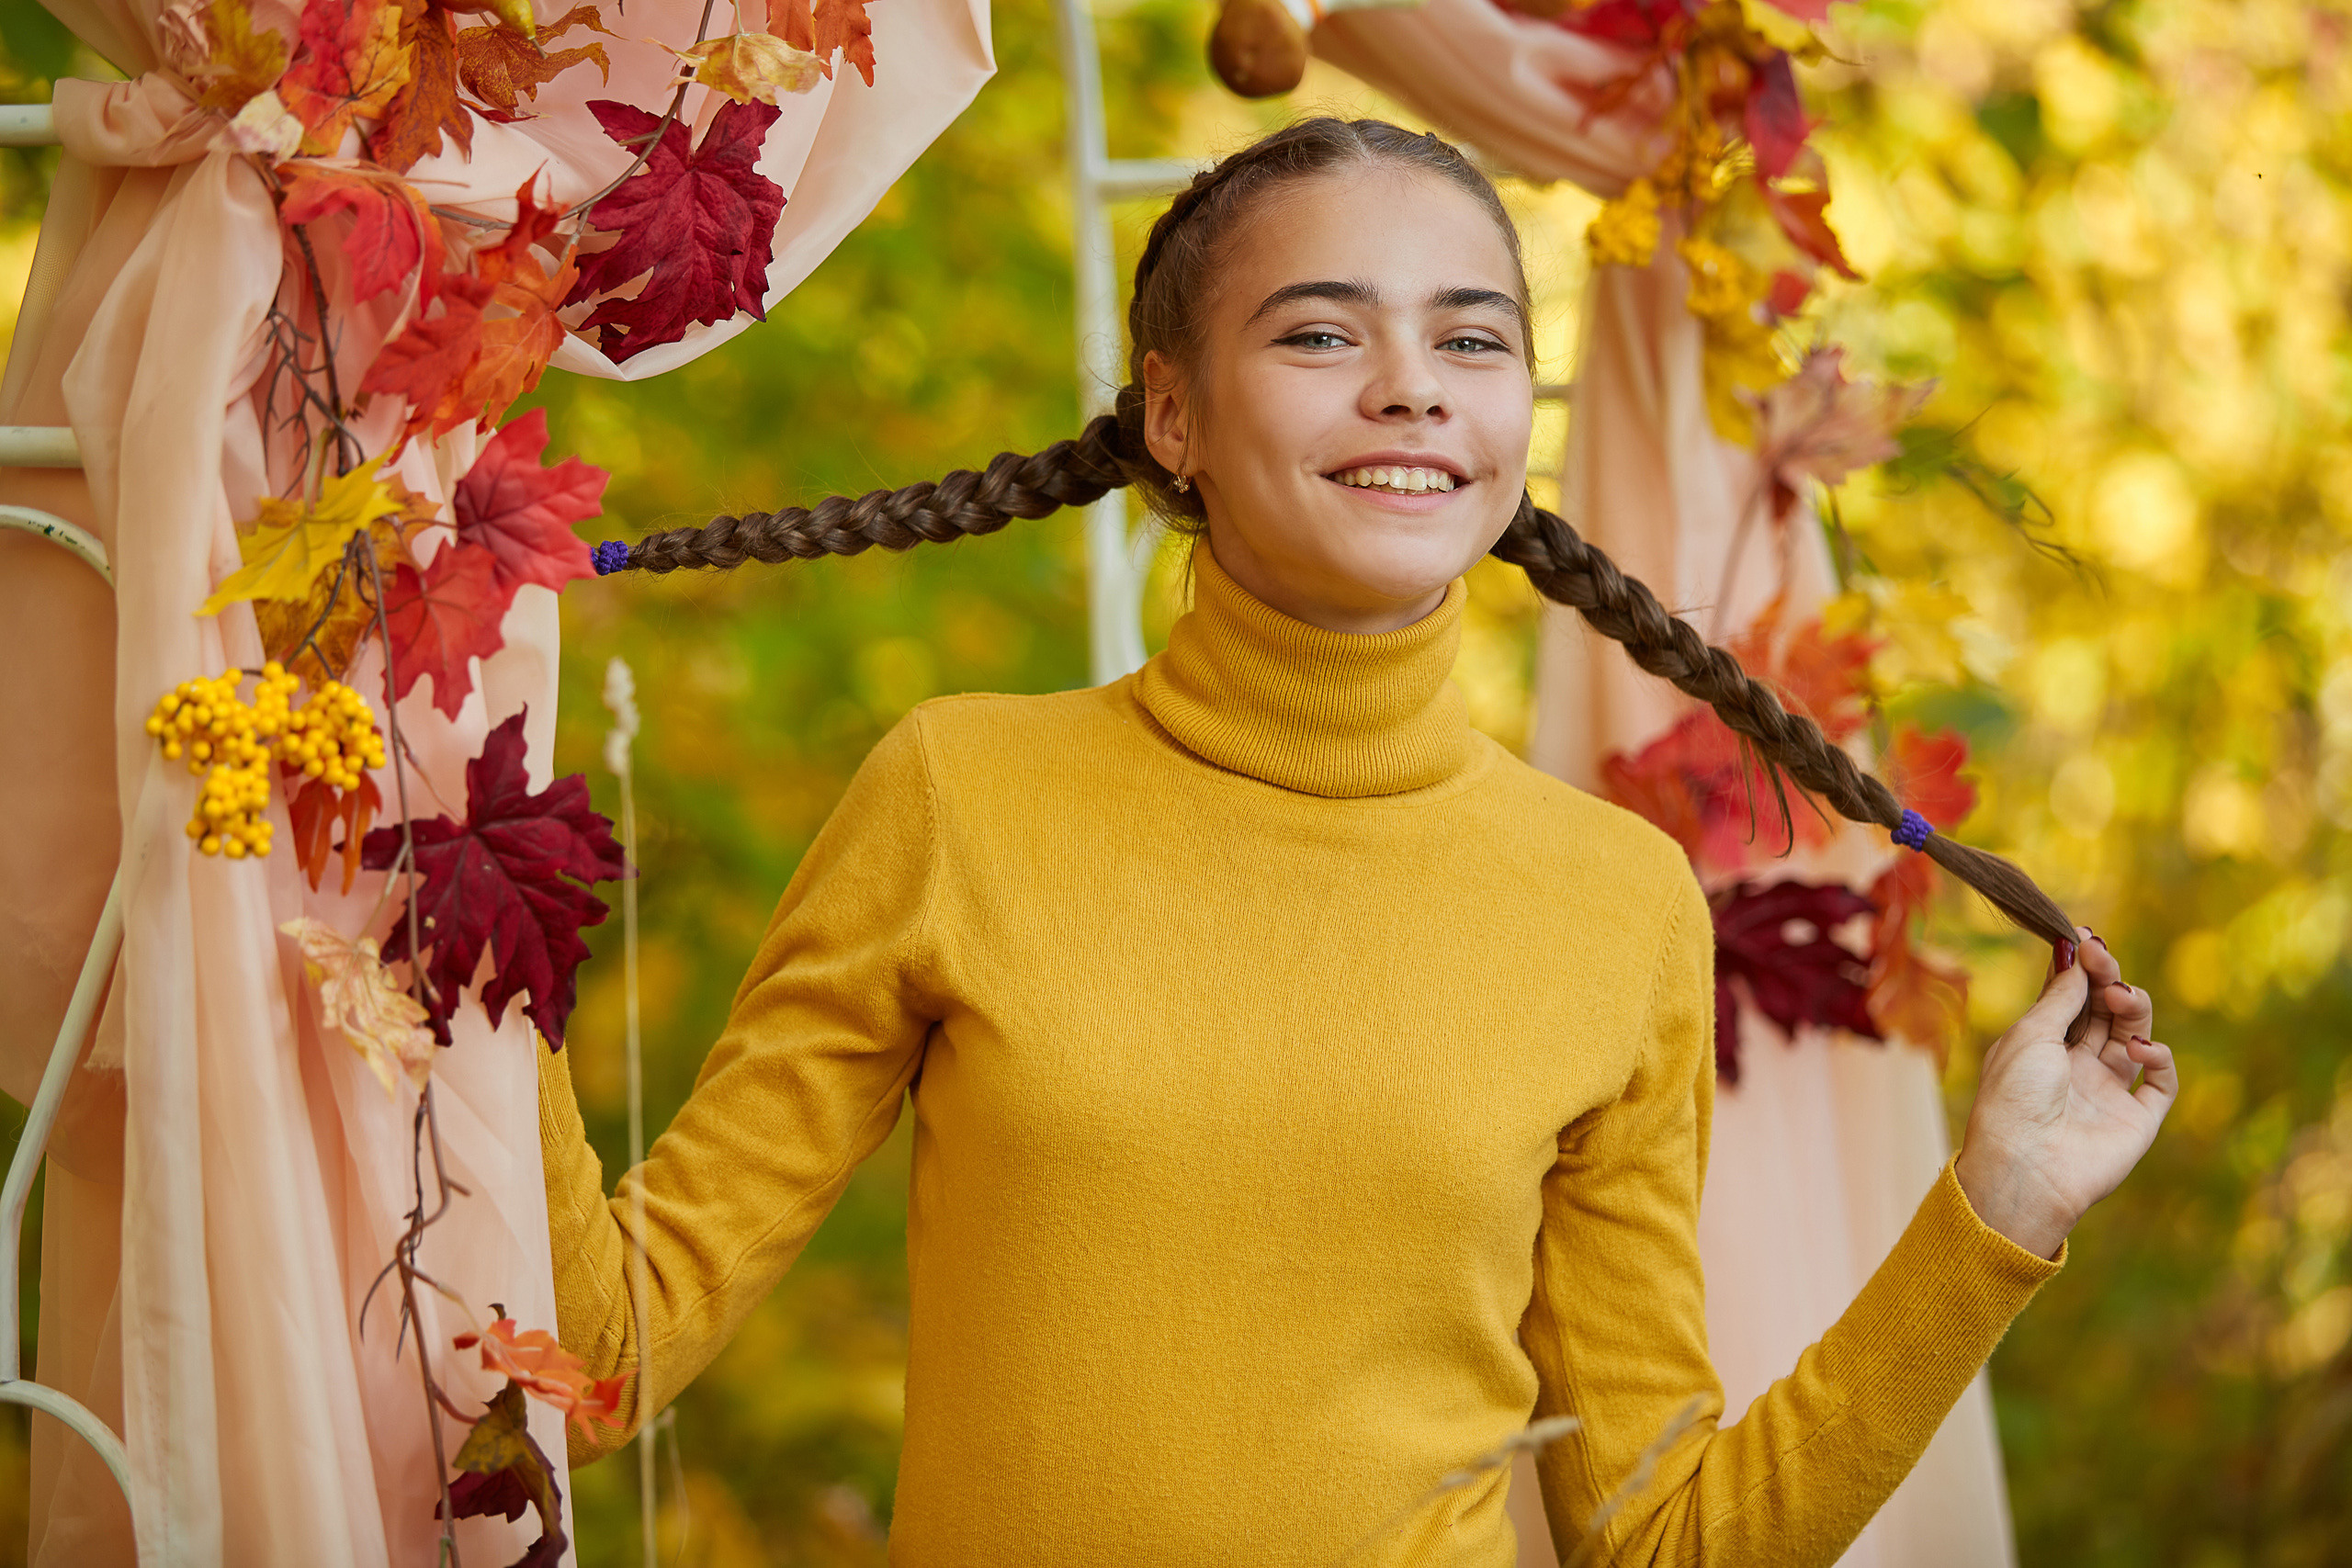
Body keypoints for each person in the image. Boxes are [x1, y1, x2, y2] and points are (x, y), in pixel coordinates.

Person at [546, 118, 2177, 1564]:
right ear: (1172, 416)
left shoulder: (1616, 902)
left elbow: (1667, 1542)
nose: (1411, 384)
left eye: (1471, 339)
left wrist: (2001, 1206)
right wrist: (466, 896)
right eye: (1322, 333)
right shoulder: (958, 796)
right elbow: (599, 1357)